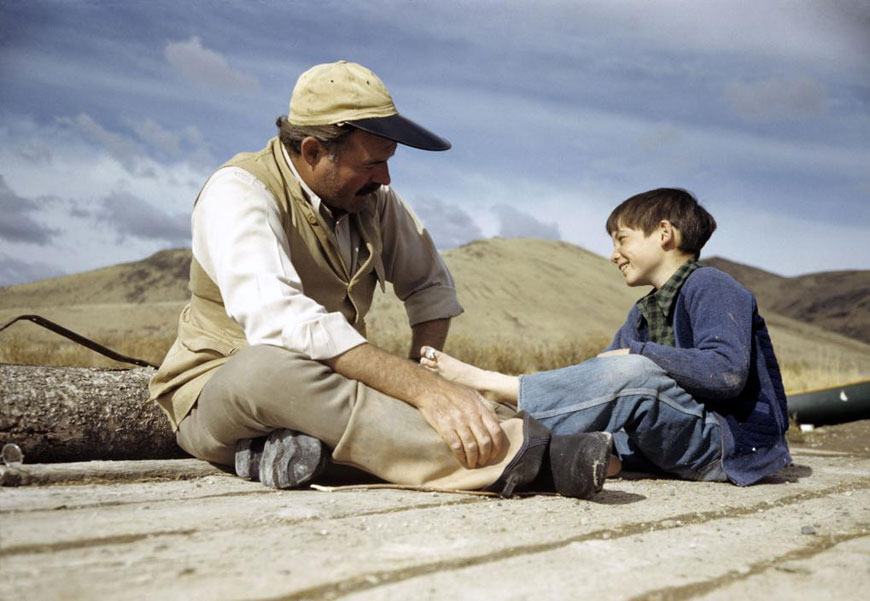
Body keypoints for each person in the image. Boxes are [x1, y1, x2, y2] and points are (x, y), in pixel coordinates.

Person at [149, 60, 612, 498]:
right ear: (313, 152)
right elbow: (279, 318)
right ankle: (524, 459)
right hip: (218, 393)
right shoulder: (238, 190)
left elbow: (430, 287)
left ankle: (301, 455)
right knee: (264, 369)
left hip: (333, 394)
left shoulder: (374, 200)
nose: (385, 176)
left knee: (418, 395)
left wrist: (427, 376)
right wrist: (420, 390)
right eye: (372, 163)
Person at [422, 188, 792, 485]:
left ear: (664, 233)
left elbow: (726, 373)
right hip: (663, 439)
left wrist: (640, 354)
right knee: (613, 380)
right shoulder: (643, 311)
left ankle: (498, 388)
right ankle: (494, 426)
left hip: (727, 444)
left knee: (632, 370)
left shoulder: (711, 286)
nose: (614, 255)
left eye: (622, 240)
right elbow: (600, 382)